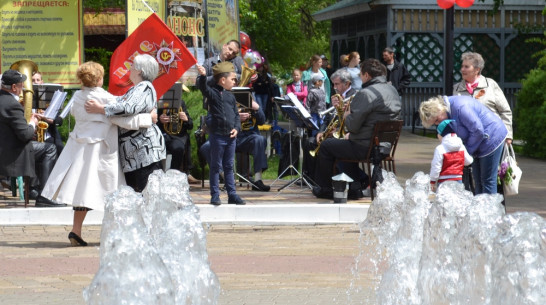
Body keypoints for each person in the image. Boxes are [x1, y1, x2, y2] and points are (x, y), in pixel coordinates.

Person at [41, 61, 156, 246]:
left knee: (82, 192)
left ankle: (75, 230)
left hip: (79, 148)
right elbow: (122, 118)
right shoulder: (105, 98)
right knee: (112, 191)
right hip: (101, 149)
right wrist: (148, 118)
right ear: (99, 78)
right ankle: (115, 234)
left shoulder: (77, 96)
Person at [312, 59, 401, 200]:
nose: (359, 77)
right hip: (384, 146)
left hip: (366, 146)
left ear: (366, 75)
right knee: (341, 144)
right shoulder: (392, 90)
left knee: (326, 146)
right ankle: (355, 186)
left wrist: (346, 115)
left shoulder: (366, 93)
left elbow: (352, 127)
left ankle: (326, 189)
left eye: (360, 74)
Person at [85, 54, 166, 193]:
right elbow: (118, 101)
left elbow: (127, 107)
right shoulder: (137, 88)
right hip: (136, 153)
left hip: (144, 152)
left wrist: (100, 109)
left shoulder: (144, 87)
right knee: (140, 195)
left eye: (133, 66)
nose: (130, 69)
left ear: (140, 71)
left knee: (146, 194)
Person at [419, 95, 507, 195]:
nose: (438, 124)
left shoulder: (460, 107)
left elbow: (478, 130)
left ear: (439, 110)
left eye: (436, 120)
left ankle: (492, 209)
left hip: (492, 136)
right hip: (479, 141)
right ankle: (480, 209)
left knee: (487, 180)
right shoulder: (448, 110)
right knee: (477, 181)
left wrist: (466, 151)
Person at [0, 69, 62, 207]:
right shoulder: (12, 104)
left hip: (4, 147)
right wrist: (32, 124)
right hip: (11, 153)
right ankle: (44, 196)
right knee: (49, 149)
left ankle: (36, 188)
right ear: (14, 87)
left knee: (44, 147)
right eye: (22, 84)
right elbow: (25, 135)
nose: (24, 87)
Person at [196, 61, 245, 205]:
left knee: (229, 166)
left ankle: (232, 194)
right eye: (233, 79)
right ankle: (215, 195)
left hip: (231, 137)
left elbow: (236, 115)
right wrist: (203, 76)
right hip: (218, 136)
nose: (235, 81)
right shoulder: (213, 93)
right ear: (223, 80)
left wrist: (237, 128)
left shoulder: (231, 96)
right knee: (216, 166)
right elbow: (203, 88)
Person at [199, 99, 271, 192]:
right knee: (206, 147)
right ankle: (227, 178)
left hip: (247, 137)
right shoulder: (218, 97)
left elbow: (261, 120)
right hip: (225, 137)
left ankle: (258, 180)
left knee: (260, 140)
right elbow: (209, 121)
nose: (234, 83)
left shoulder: (249, 97)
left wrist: (257, 108)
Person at [453, 51, 513, 145]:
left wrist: (508, 135)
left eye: (466, 67)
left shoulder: (490, 85)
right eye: (462, 66)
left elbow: (505, 111)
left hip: (492, 139)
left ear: (477, 70)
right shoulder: (456, 89)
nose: (462, 69)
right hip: (466, 141)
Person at [158, 98, 200, 184]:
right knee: (156, 148)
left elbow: (190, 125)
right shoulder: (159, 104)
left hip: (177, 136)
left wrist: (186, 119)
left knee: (178, 148)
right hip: (163, 135)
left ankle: (173, 175)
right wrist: (159, 120)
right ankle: (158, 176)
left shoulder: (181, 103)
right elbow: (152, 123)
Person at [429, 119, 473, 192]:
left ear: (441, 135)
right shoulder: (461, 147)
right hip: (458, 179)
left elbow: (436, 167)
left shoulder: (440, 149)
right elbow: (468, 161)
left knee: (443, 202)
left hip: (443, 181)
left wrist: (432, 180)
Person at [32, 71, 65, 157]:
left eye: (37, 80)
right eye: (33, 80)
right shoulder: (24, 101)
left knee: (57, 147)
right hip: (30, 136)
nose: (35, 82)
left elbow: (59, 121)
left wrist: (47, 117)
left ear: (42, 82)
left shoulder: (49, 101)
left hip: (47, 136)